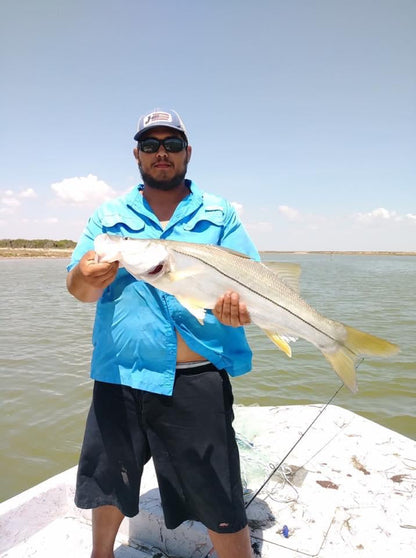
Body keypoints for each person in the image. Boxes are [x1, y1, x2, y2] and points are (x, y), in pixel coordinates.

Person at [67, 109, 259, 558]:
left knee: (218, 495)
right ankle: (101, 555)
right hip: (119, 375)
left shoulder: (219, 213)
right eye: (150, 145)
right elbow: (77, 289)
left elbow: (251, 284)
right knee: (109, 482)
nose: (161, 154)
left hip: (196, 377)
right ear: (136, 153)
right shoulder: (109, 215)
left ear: (187, 153)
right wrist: (86, 276)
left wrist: (241, 312)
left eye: (172, 145)